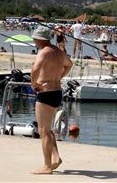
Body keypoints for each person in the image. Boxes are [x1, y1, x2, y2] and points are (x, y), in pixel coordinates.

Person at [31, 26, 73, 174]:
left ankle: (47, 166)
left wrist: (34, 84)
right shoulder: (58, 51)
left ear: (40, 39)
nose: (34, 41)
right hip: (57, 92)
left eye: (35, 38)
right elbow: (69, 64)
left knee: (43, 131)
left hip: (45, 92)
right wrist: (60, 76)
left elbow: (35, 69)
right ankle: (56, 158)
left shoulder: (44, 51)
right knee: (47, 129)